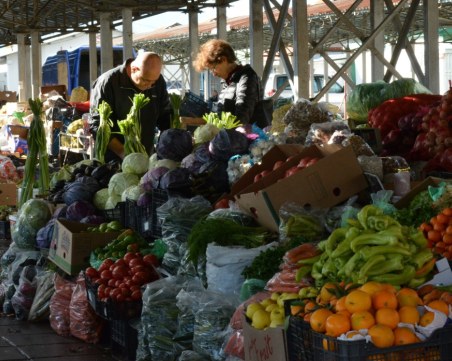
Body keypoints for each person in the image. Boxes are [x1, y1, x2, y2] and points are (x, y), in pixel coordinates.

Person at [90, 51, 171, 161]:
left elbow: (165, 116)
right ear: (134, 69)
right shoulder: (108, 82)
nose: (150, 85)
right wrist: (124, 154)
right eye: (145, 80)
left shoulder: (158, 82)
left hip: (145, 157)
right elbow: (97, 124)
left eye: (154, 82)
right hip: (112, 160)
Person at [193, 39, 270, 129]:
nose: (213, 73)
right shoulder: (228, 82)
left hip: (247, 139)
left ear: (223, 60)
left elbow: (242, 118)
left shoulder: (246, 78)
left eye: (213, 68)